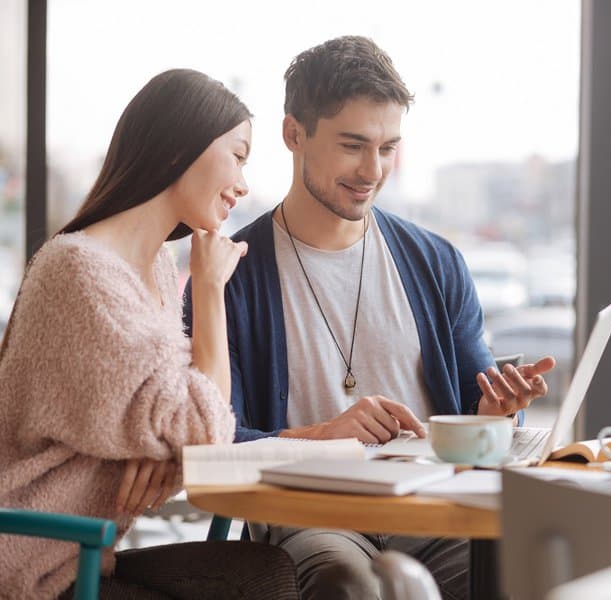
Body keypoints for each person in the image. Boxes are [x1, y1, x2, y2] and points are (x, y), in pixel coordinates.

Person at [183, 36, 555, 599]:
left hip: (434, 513)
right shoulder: (230, 278)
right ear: (293, 135)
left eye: (388, 148)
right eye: (353, 145)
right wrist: (323, 437)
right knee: (347, 585)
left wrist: (494, 412)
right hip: (313, 519)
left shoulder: (436, 262)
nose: (372, 170)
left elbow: (476, 415)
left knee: (526, 567)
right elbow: (218, 442)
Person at [0, 69, 299, 599]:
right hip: (34, 567)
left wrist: (168, 450)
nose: (244, 184)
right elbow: (205, 429)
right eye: (238, 156)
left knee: (266, 571)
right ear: (177, 149)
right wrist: (210, 288)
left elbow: (187, 424)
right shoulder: (79, 271)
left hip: (87, 556)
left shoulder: (155, 267)